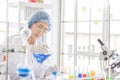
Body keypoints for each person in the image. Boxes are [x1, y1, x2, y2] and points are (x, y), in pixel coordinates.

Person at [2, 11, 58, 80]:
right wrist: (30, 48)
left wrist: (49, 71)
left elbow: (40, 72)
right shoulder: (12, 40)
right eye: (39, 26)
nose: (40, 32)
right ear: (31, 24)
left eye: (45, 30)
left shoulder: (40, 47)